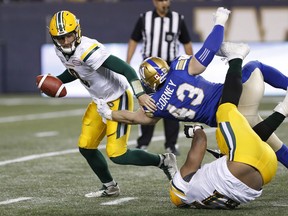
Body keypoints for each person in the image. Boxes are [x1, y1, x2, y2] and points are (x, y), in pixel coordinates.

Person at [46, 10, 178, 198]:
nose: (66, 41)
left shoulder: (88, 50)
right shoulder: (60, 50)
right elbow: (75, 70)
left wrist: (139, 94)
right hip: (99, 100)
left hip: (117, 97)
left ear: (77, 31)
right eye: (60, 38)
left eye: (69, 35)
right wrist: (56, 81)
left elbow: (126, 69)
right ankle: (110, 186)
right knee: (86, 146)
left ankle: (164, 161)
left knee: (118, 154)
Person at [98, 46, 288, 169]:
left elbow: (134, 118)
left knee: (267, 146)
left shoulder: (155, 105)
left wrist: (109, 113)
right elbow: (205, 54)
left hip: (225, 124)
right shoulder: (179, 71)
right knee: (253, 66)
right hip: (230, 101)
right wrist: (219, 24)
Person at [169, 45, 288, 209]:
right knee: (224, 109)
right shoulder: (183, 185)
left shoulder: (201, 199)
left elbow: (224, 182)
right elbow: (200, 142)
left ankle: (283, 110)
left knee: (259, 140)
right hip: (241, 161)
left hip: (262, 176)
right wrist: (195, 130)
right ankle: (236, 57)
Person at [126, 0, 194, 155]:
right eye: (161, 0)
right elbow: (133, 40)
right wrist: (127, 63)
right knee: (149, 105)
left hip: (170, 68)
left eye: (166, 0)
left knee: (171, 106)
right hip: (149, 71)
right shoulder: (145, 18)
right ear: (154, 2)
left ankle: (171, 144)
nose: (164, 3)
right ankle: (143, 143)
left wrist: (191, 66)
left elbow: (187, 43)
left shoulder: (178, 19)